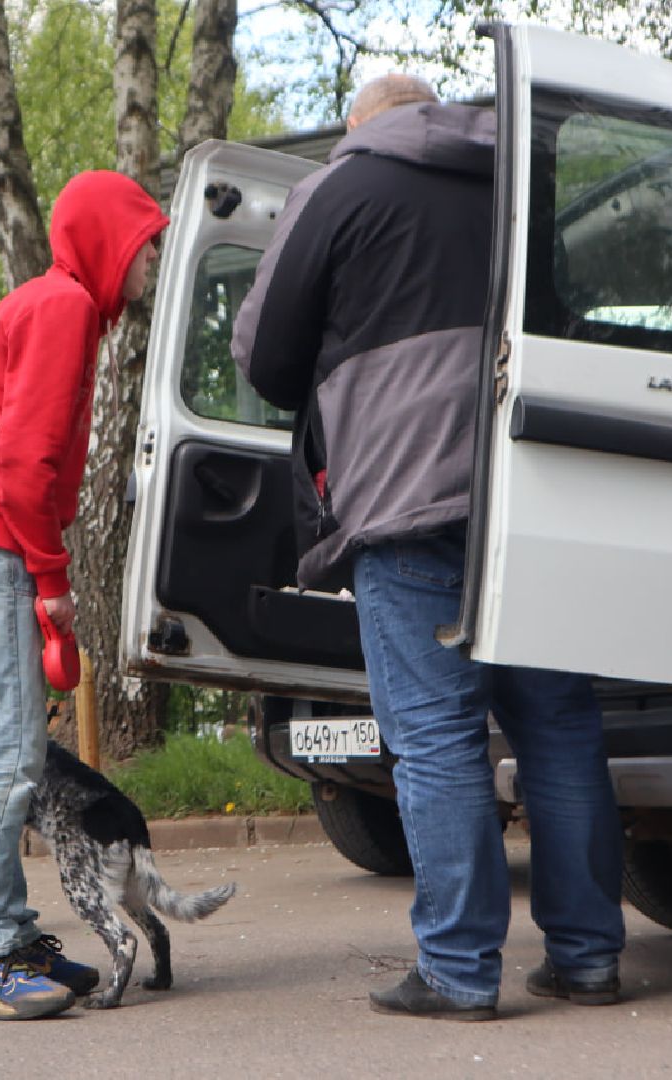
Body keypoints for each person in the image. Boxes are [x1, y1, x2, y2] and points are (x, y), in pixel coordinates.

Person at [231, 74, 626, 1021]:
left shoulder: (341, 186)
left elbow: (266, 356)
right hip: (531, 496)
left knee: (435, 738)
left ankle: (456, 970)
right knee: (558, 725)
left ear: (366, 127)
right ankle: (585, 958)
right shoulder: (521, 180)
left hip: (405, 495)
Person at [0, 170, 167, 1019]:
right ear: (107, 242)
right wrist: (50, 580)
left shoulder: (62, 311)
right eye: (144, 248)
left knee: (6, 739)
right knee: (8, 745)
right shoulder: (61, 308)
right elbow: (22, 464)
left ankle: (10, 932)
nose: (150, 266)